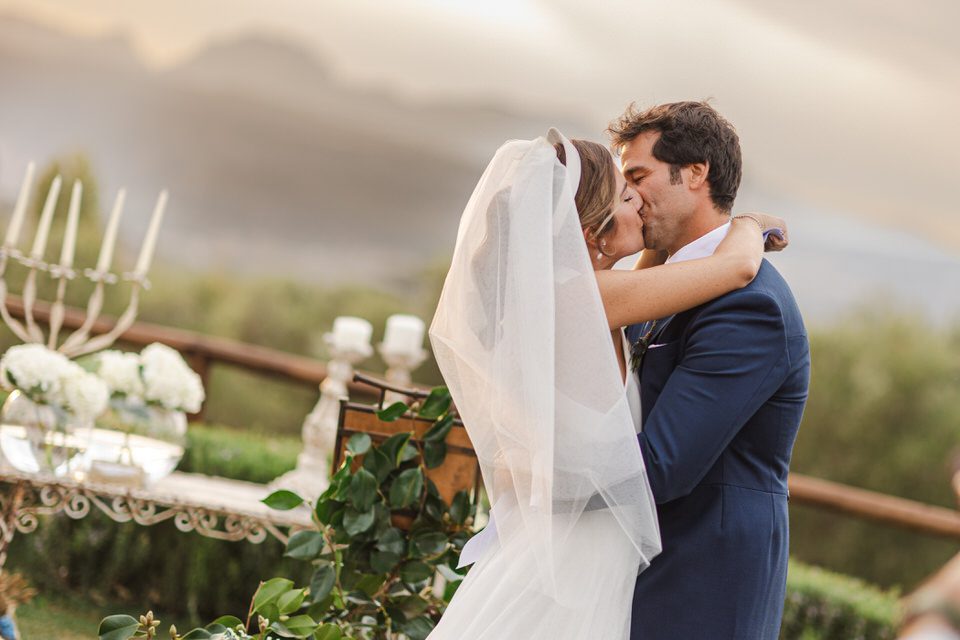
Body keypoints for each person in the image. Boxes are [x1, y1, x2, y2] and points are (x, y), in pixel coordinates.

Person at [427, 127, 786, 639]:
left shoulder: (582, 293)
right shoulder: (581, 298)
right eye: (625, 192)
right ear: (592, 230)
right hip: (577, 561)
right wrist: (750, 223)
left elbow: (652, 273)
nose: (637, 200)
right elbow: (737, 267)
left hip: (576, 551)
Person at [608, 101, 810, 640]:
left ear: (697, 172)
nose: (628, 196)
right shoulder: (674, 281)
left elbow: (661, 467)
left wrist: (540, 477)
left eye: (638, 176)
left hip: (702, 591)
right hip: (640, 573)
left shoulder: (749, 306)